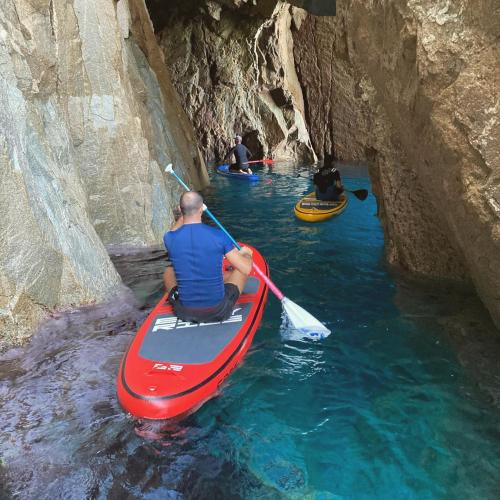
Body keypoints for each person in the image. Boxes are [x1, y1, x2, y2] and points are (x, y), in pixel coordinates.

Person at [163, 191, 254, 323]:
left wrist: (183, 213)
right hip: (217, 310)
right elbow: (246, 269)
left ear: (179, 209)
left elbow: (173, 230)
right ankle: (224, 279)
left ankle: (177, 294)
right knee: (240, 270)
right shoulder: (218, 236)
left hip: (184, 311)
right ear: (201, 209)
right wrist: (247, 254)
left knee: (168, 271)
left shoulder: (169, 238)